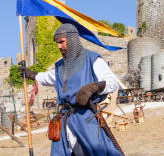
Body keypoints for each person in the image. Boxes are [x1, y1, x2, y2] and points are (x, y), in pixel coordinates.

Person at [18, 23, 123, 156]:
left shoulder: (91, 59)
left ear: (72, 39)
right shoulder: (60, 67)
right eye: (57, 43)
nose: (59, 46)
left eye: (62, 42)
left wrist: (95, 86)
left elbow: (112, 82)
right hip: (64, 122)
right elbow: (47, 77)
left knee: (97, 151)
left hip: (86, 118)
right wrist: (32, 75)